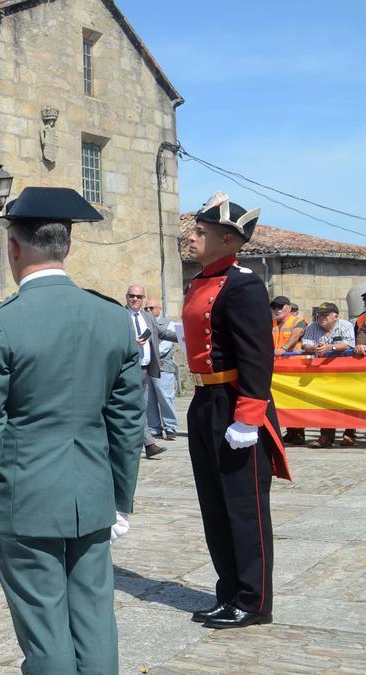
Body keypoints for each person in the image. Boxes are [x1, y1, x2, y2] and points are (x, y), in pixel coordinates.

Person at [0, 187, 142, 672]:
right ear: (68, 245)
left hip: (26, 499)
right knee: (95, 623)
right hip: (93, 494)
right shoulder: (113, 319)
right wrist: (121, 498)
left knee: (45, 636)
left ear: (14, 248)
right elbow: (127, 422)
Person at [181, 191, 292, 629]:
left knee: (244, 507)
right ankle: (228, 592)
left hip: (234, 404)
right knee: (215, 505)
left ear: (229, 239)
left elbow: (256, 357)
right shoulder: (201, 280)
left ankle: (254, 599)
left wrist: (248, 417)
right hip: (205, 402)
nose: (191, 237)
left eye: (201, 232)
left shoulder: (243, 283)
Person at [125, 284, 177, 456]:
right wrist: (131, 342)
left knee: (141, 406)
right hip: (129, 368)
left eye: (139, 297)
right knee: (137, 406)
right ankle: (148, 444)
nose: (135, 299)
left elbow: (162, 333)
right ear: (127, 297)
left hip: (146, 369)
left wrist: (188, 335)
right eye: (132, 295)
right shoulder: (120, 316)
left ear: (143, 299)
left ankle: (145, 444)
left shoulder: (147, 317)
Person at [299, 302, 357, 448]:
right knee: (324, 403)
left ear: (336, 316)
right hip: (322, 371)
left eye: (325, 314)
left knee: (348, 402)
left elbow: (349, 344)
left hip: (343, 371)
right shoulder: (312, 326)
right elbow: (305, 344)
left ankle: (349, 434)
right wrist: (316, 348)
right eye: (319, 314)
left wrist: (330, 347)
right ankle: (326, 436)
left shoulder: (346, 325)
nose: (321, 317)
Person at [270, 296, 308, 444]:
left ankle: (299, 432)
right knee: (281, 401)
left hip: (294, 368)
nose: (277, 310)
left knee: (296, 401)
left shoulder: (298, 320)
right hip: (276, 369)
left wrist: (283, 348)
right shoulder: (270, 322)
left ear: (289, 307)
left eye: (280, 306)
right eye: (274, 307)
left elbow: (297, 333)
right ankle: (291, 431)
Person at [143, 299, 180, 441]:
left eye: (151, 308)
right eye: (146, 308)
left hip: (163, 366)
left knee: (165, 397)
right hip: (148, 366)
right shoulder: (144, 322)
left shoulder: (168, 323)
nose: (148, 311)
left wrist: (147, 351)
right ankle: (154, 428)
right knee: (149, 399)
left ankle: (170, 427)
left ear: (159, 308)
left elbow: (165, 346)